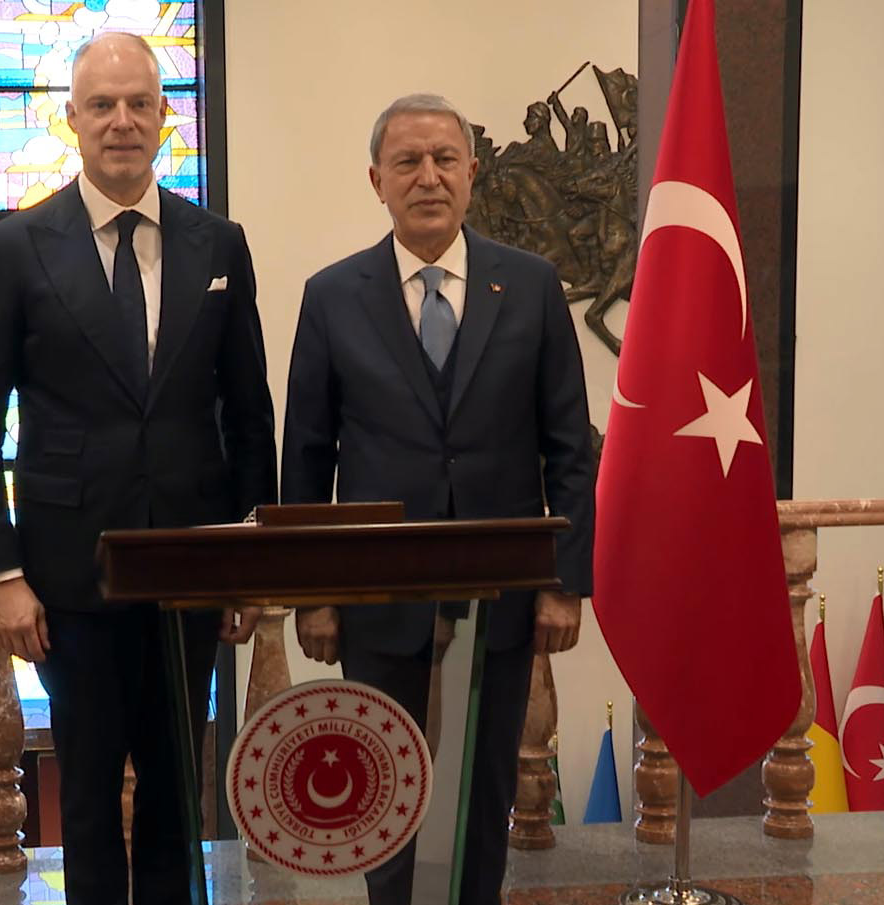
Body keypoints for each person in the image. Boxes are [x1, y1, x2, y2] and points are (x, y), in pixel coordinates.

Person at [0, 32, 276, 905]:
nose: (122, 121)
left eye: (138, 104)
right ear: (73, 119)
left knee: (176, 793)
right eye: (102, 105)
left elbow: (250, 414)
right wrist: (2, 573)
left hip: (190, 569)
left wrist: (252, 560)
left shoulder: (219, 245)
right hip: (66, 576)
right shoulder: (15, 247)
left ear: (166, 117)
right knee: (86, 798)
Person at [281, 93, 596, 905]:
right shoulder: (332, 295)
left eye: (444, 159)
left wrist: (565, 582)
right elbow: (307, 458)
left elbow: (569, 444)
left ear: (472, 172)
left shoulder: (531, 285)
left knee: (482, 799)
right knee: (384, 798)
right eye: (407, 162)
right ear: (377, 181)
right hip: (377, 598)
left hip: (500, 596)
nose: (428, 177)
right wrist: (314, 594)